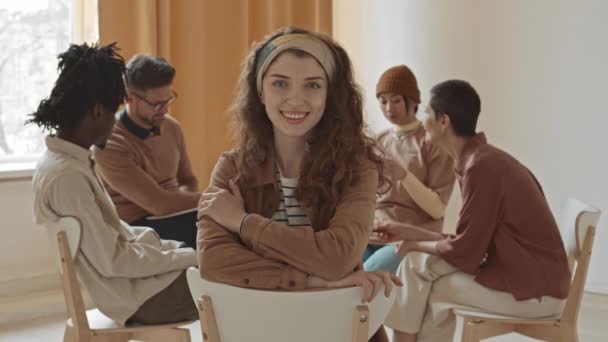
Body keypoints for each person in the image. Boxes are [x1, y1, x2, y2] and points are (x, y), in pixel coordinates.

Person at [196, 27, 401, 342]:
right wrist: (318, 281)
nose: (296, 99)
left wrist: (243, 222)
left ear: (329, 94)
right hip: (257, 332)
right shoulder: (231, 168)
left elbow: (338, 257)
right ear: (260, 91)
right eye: (280, 83)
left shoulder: (357, 169)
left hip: (339, 331)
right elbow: (213, 263)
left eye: (313, 85)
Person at [374, 80, 571, 342]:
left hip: (534, 291)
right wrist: (409, 234)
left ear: (444, 121)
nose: (423, 120)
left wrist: (414, 243)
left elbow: (466, 252)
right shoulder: (478, 160)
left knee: (429, 282)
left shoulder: (481, 167)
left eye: (428, 113)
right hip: (527, 277)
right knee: (417, 267)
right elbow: (469, 240)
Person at [29, 43, 198, 326]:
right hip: (144, 299)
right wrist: (191, 256)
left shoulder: (68, 163)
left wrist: (175, 251)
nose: (114, 121)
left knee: (235, 263)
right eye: (113, 112)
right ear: (97, 112)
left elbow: (119, 239)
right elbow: (115, 261)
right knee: (241, 280)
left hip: (144, 286)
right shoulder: (67, 177)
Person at [93, 54, 199, 248]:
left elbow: (189, 181)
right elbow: (157, 204)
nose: (165, 110)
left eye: (169, 100)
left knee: (229, 224)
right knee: (217, 227)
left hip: (176, 215)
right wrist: (214, 200)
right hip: (136, 228)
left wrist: (186, 203)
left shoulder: (172, 127)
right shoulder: (108, 143)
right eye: (157, 104)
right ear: (130, 99)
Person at [363, 65, 454, 273]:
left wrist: (403, 175)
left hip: (411, 236)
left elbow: (437, 208)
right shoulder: (379, 141)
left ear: (412, 101)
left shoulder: (432, 142)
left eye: (395, 100)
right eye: (383, 101)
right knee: (340, 272)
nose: (388, 108)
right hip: (373, 233)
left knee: (366, 275)